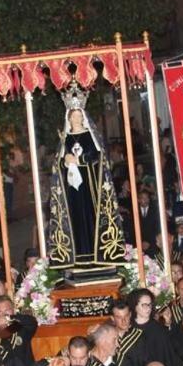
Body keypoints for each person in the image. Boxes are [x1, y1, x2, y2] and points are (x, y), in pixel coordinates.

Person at [46, 83, 128, 276]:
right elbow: (57, 164)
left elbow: (98, 157)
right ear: (69, 118)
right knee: (75, 220)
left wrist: (79, 160)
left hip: (90, 188)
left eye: (79, 116)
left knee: (92, 218)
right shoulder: (65, 139)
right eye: (73, 116)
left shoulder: (90, 136)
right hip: (72, 191)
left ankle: (99, 255)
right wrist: (65, 161)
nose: (76, 119)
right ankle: (78, 258)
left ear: (83, 117)